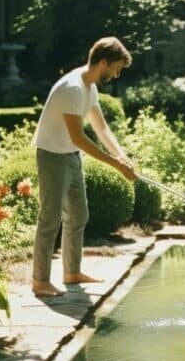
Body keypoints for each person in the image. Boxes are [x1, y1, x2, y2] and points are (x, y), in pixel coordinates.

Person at [31, 37, 136, 297]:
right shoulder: (72, 88)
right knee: (50, 219)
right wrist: (115, 165)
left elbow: (101, 128)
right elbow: (78, 136)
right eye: (116, 68)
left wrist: (122, 157)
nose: (117, 74)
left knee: (79, 214)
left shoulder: (90, 88)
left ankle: (72, 272)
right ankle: (40, 281)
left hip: (71, 155)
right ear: (103, 62)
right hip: (53, 156)